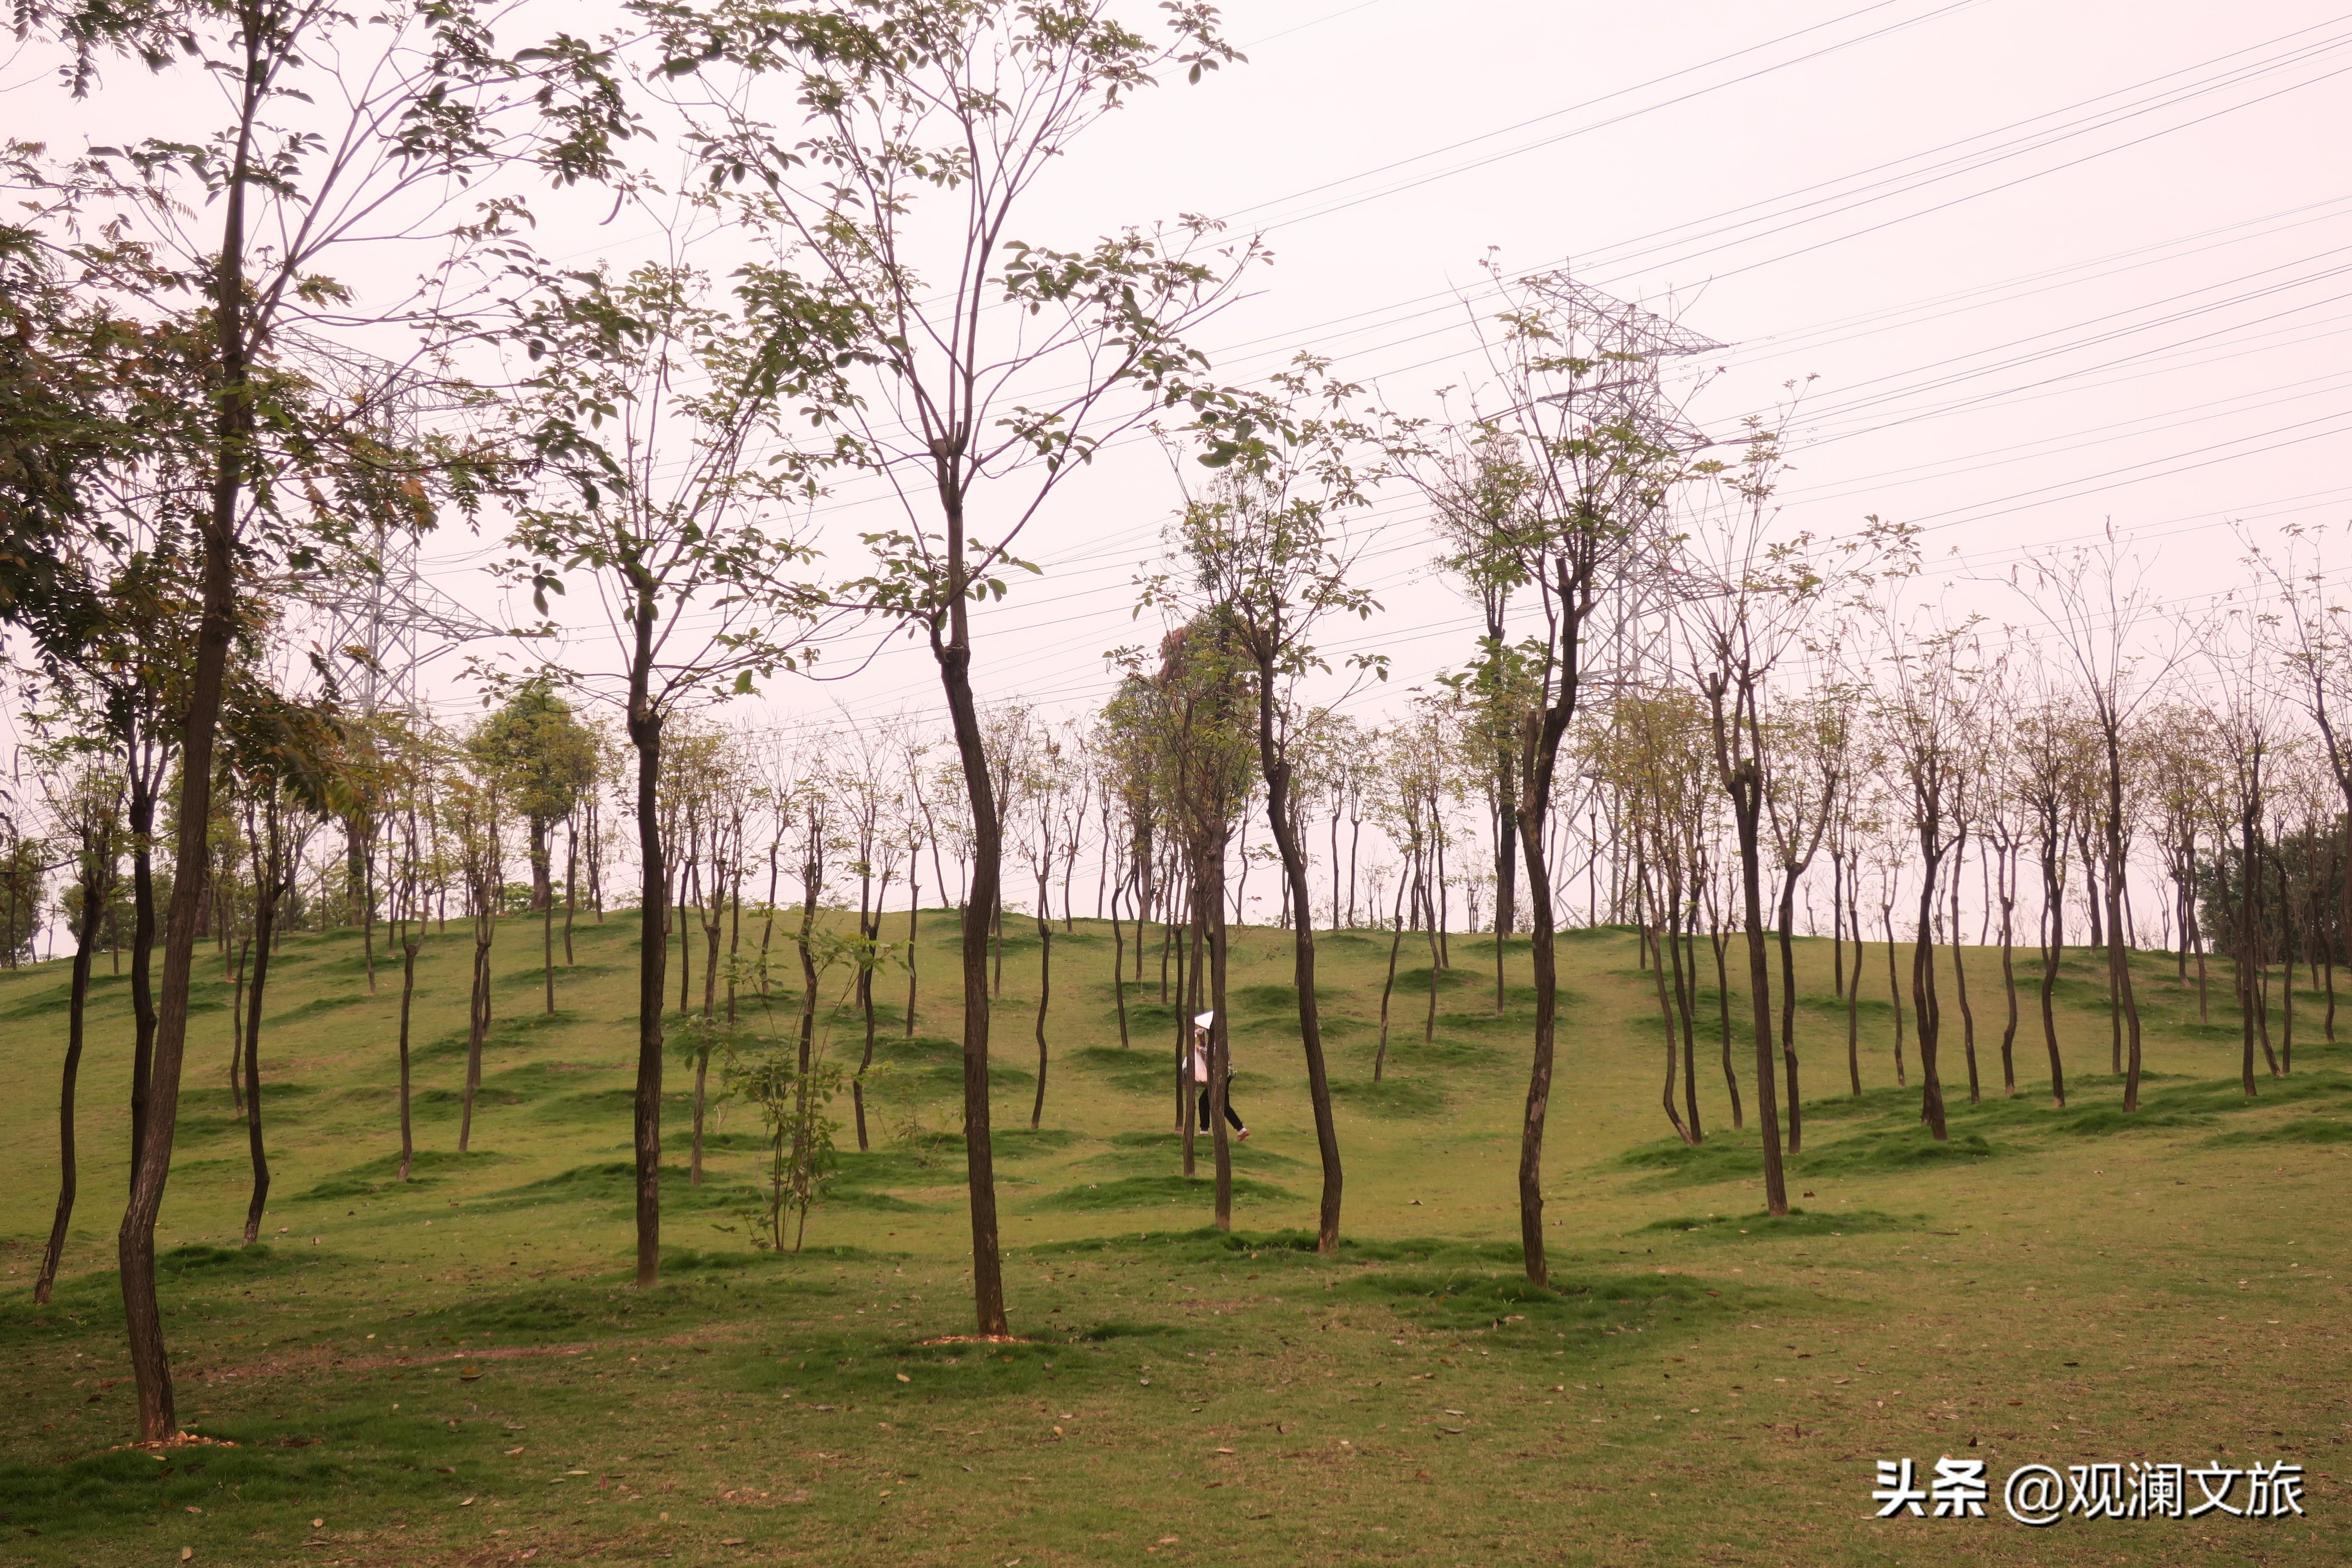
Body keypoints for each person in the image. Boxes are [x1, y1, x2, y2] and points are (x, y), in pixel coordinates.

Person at [1188, 1011, 1248, 1141]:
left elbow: (1211, 1054)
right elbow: (1209, 1052)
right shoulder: (1218, 1040)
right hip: (1222, 1075)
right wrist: (1201, 1041)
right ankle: (1240, 1129)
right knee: (1219, 1103)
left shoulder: (1221, 1041)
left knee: (1212, 1102)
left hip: (1221, 1076)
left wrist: (1196, 1047)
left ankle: (1206, 1130)